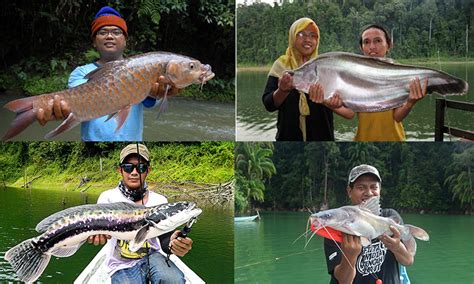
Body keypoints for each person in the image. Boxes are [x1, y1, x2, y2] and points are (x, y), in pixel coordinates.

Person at [36, 6, 179, 141]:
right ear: (94, 42)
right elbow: (81, 100)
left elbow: (150, 104)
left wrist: (153, 93)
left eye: (116, 32)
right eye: (102, 32)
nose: (109, 36)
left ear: (125, 41)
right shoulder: (80, 73)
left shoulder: (142, 69)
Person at [88, 143, 193, 283]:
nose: (134, 172)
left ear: (148, 170)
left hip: (154, 256)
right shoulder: (107, 198)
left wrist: (174, 244)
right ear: (120, 170)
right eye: (128, 167)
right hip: (120, 263)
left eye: (141, 167)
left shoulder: (160, 200)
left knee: (173, 280)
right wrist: (96, 236)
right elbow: (98, 234)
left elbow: (164, 240)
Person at [310, 24, 428, 141]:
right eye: (366, 42)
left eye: (377, 41)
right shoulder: (354, 74)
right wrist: (327, 103)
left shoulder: (400, 75)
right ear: (361, 48)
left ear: (388, 45)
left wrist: (410, 103)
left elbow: (397, 117)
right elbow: (350, 114)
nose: (372, 46)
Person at [324, 164, 413, 284]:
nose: (369, 192)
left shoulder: (389, 218)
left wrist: (396, 247)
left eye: (374, 187)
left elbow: (408, 261)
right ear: (349, 191)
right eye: (361, 188)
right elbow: (344, 281)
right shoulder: (335, 227)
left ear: (379, 190)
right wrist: (350, 257)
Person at [262, 17, 344, 141]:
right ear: (293, 37)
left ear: (317, 40)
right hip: (288, 138)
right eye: (301, 34)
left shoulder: (325, 66)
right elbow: (269, 104)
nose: (307, 40)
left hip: (322, 137)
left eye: (313, 36)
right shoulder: (281, 66)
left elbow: (346, 108)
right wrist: (282, 90)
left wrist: (334, 104)